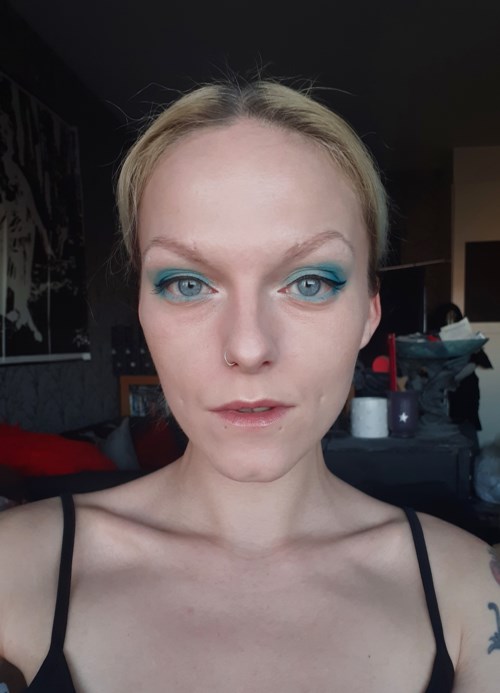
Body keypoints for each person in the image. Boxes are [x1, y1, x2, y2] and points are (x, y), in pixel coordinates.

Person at [0, 79, 498, 693]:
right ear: (143, 311)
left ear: (369, 313)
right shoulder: (13, 569)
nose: (248, 347)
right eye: (187, 284)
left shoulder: (471, 598)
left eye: (310, 282)